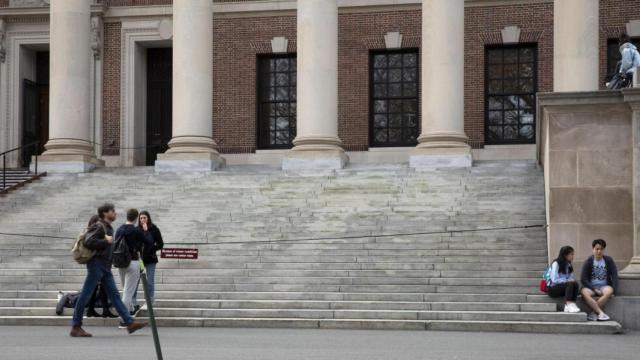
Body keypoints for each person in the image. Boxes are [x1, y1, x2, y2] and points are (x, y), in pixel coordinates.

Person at [70, 203, 147, 337]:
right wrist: (106, 241)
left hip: (105, 266)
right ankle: (76, 326)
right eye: (113, 211)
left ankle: (129, 323)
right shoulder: (99, 226)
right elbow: (88, 241)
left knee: (115, 296)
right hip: (96, 265)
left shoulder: (107, 227)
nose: (115, 213)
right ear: (105, 213)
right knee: (85, 295)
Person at [115, 208, 145, 320]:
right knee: (128, 292)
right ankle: (124, 320)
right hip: (133, 262)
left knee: (125, 289)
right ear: (136, 218)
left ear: (127, 216)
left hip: (120, 262)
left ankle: (131, 310)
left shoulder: (119, 229)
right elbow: (146, 243)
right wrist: (145, 231)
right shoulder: (137, 231)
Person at [580, 239, 619, 321]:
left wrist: (614, 291)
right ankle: (601, 313)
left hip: (604, 286)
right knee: (584, 292)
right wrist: (594, 289)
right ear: (593, 249)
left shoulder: (608, 260)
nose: (599, 251)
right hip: (591, 287)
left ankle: (593, 313)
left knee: (609, 291)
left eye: (601, 249)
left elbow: (615, 276)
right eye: (597, 249)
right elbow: (583, 279)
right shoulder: (589, 261)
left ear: (604, 250)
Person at [138, 210, 164, 305]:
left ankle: (150, 300)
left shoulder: (154, 229)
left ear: (148, 218)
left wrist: (153, 249)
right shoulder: (137, 230)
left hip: (151, 259)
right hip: (140, 260)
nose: (143, 220)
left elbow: (160, 244)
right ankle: (133, 301)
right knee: (136, 280)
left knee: (150, 281)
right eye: (141, 218)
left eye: (144, 217)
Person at [546, 246, 580, 313]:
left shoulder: (568, 265)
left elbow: (570, 278)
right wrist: (567, 280)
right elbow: (554, 279)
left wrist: (570, 280)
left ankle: (570, 305)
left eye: (573, 254)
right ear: (565, 255)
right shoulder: (556, 264)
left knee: (575, 284)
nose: (573, 256)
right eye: (571, 254)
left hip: (563, 287)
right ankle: (569, 303)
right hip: (553, 289)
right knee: (570, 284)